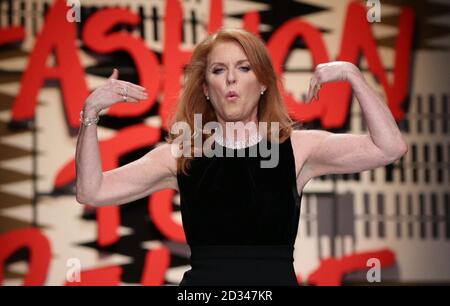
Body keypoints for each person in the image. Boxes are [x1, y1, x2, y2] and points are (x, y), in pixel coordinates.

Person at [75, 28, 408, 286]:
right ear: (206, 88)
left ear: (263, 82)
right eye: (218, 70)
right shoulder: (182, 154)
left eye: (244, 67)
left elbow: (390, 147)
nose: (231, 79)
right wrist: (90, 116)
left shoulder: (297, 148)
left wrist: (353, 75)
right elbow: (92, 190)